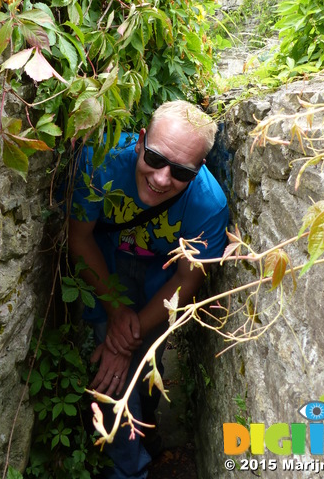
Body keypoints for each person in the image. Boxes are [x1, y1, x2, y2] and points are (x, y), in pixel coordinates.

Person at [68, 100, 228, 479]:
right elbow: (80, 238)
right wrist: (116, 316)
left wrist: (131, 336)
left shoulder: (209, 204)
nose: (161, 178)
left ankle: (148, 427)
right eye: (155, 158)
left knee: (144, 357)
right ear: (140, 141)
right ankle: (127, 470)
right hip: (105, 266)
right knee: (111, 366)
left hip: (164, 278)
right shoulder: (101, 161)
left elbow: (187, 280)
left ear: (200, 170)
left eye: (181, 172)